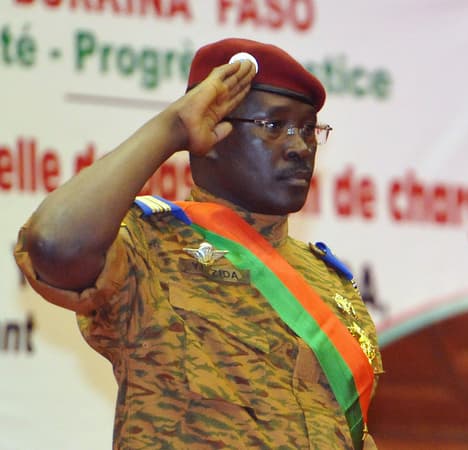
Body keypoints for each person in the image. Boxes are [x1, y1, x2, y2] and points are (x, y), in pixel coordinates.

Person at [15, 38, 382, 450]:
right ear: (211, 132)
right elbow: (53, 245)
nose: (300, 147)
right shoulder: (151, 244)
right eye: (274, 126)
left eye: (309, 130)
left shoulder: (331, 283)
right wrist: (171, 128)